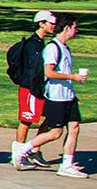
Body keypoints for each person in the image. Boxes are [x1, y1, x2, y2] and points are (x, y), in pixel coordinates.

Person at [25, 14, 89, 178]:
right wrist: (72, 77)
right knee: (55, 132)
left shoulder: (65, 47)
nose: (77, 31)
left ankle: (67, 164)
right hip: (56, 96)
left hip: (68, 96)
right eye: (75, 27)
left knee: (74, 127)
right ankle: (23, 149)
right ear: (67, 28)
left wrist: (73, 91)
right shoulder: (52, 48)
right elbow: (49, 72)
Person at [11, 11, 60, 169]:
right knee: (26, 121)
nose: (54, 26)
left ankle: (34, 150)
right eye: (51, 23)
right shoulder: (33, 45)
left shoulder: (41, 43)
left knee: (52, 117)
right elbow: (33, 71)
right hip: (30, 88)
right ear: (41, 24)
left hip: (39, 88)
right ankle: (18, 154)